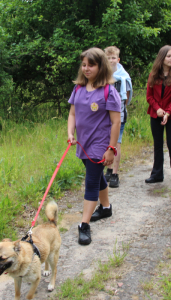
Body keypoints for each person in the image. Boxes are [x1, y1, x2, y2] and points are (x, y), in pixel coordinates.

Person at [67, 47, 121, 245]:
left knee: (90, 182)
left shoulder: (109, 91)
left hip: (100, 144)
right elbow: (72, 114)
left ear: (101, 66)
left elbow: (116, 122)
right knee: (96, 177)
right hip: (83, 143)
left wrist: (111, 149)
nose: (86, 69)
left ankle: (84, 225)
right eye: (84, 65)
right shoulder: (78, 89)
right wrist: (70, 133)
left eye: (91, 65)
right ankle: (106, 208)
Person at [145, 45, 171, 183]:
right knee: (157, 144)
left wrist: (167, 112)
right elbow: (149, 97)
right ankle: (157, 174)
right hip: (156, 114)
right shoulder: (153, 75)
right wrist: (157, 109)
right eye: (168, 56)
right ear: (162, 58)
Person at [103, 46, 132, 188]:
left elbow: (126, 96)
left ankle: (115, 173)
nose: (110, 60)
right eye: (108, 58)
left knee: (117, 143)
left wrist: (120, 110)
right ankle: (108, 170)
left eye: (113, 58)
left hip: (119, 113)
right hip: (105, 115)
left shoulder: (124, 76)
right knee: (108, 142)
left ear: (118, 59)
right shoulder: (102, 75)